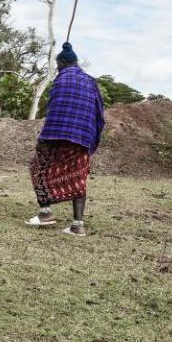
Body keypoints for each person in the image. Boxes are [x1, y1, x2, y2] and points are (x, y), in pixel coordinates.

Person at [26, 42, 105, 236]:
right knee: (79, 177)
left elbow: (53, 110)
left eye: (58, 64)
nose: (57, 68)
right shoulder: (90, 82)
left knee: (38, 168)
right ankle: (78, 225)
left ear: (62, 62)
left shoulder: (60, 81)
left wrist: (43, 138)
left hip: (56, 135)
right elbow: (98, 112)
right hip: (82, 138)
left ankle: (45, 213)